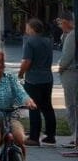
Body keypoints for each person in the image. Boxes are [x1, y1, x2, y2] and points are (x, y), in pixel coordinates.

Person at [18, 17, 56, 145]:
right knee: (47, 107)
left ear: (32, 28)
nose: (26, 29)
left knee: (33, 108)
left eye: (27, 26)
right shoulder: (48, 41)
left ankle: (34, 137)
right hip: (47, 78)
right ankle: (50, 135)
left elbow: (27, 61)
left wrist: (21, 73)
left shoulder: (29, 42)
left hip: (33, 79)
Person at [58, 11, 78, 148]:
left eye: (61, 22)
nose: (60, 25)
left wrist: (60, 67)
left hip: (70, 73)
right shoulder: (68, 35)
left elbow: (67, 56)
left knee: (71, 105)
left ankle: (75, 135)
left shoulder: (72, 36)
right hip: (71, 72)